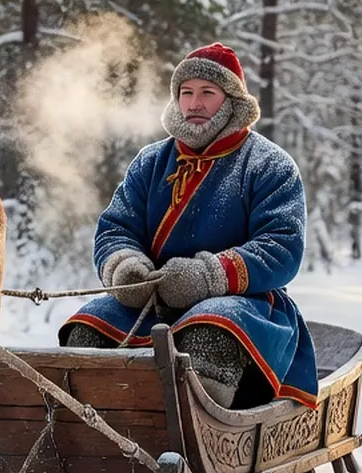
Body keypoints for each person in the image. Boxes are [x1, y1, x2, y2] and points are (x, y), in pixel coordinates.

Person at [59, 42, 318, 411]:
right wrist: (125, 268)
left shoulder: (269, 164)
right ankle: (96, 441)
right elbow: (116, 228)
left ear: (230, 99)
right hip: (153, 303)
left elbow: (281, 249)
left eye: (207, 93)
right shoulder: (150, 162)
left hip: (247, 305)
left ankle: (198, 444)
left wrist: (206, 277)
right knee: (88, 327)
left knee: (211, 329)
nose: (194, 104)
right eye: (186, 93)